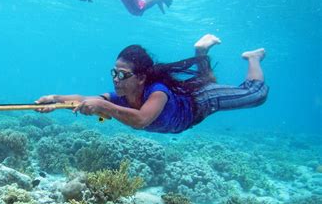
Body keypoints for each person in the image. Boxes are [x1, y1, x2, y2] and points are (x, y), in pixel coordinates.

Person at [35, 34, 269, 134]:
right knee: (207, 80)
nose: (116, 79)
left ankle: (253, 58)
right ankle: (201, 51)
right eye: (114, 73)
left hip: (203, 102)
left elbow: (141, 120)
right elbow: (85, 98)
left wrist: (102, 107)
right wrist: (55, 100)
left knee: (256, 94)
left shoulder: (158, 93)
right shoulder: (122, 98)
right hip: (190, 104)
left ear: (141, 77)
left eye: (123, 75)